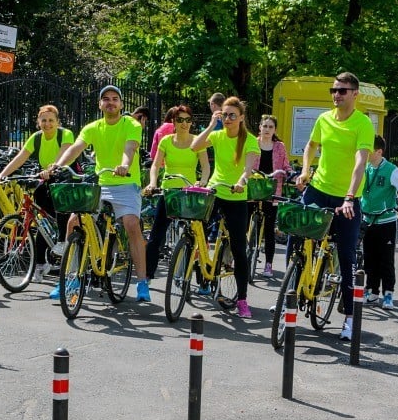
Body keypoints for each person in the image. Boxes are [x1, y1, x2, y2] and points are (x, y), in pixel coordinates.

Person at [47, 85, 149, 301]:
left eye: (115, 99)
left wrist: (124, 165)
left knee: (131, 224)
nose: (110, 102)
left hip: (126, 183)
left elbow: (129, 149)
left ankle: (142, 282)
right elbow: (75, 148)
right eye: (106, 99)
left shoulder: (131, 124)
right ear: (100, 104)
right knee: (74, 221)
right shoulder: (93, 127)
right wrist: (55, 167)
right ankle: (69, 279)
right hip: (101, 183)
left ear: (121, 104)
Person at [295, 72, 375, 340]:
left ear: (355, 94)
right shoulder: (323, 118)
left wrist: (350, 196)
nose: (336, 95)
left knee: (347, 255)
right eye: (334, 90)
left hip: (346, 197)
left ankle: (350, 318)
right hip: (318, 188)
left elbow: (360, 162)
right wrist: (305, 171)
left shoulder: (362, 123)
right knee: (297, 234)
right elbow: (311, 145)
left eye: (342, 90)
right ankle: (291, 295)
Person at [191, 96, 260, 317]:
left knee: (239, 248)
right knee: (195, 229)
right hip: (215, 191)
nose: (228, 119)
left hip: (236, 195)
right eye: (225, 115)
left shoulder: (249, 139)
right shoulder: (218, 135)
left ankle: (242, 300)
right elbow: (195, 146)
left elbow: (248, 167)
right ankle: (202, 273)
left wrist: (242, 182)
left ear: (241, 118)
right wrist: (212, 124)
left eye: (232, 115)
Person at [0, 104, 75, 282]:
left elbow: (64, 155)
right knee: (41, 223)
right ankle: (38, 265)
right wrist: (2, 175)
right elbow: (20, 157)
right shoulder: (36, 138)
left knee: (61, 207)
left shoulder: (65, 134)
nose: (47, 124)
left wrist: (53, 167)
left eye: (51, 120)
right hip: (46, 178)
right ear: (38, 122)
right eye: (43, 120)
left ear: (57, 122)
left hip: (66, 178)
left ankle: (62, 242)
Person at [144, 105, 210, 279]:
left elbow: (205, 166)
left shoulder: (197, 141)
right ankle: (146, 279)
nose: (184, 123)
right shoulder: (166, 141)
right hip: (170, 192)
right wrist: (152, 183)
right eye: (180, 120)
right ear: (173, 121)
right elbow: (156, 165)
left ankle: (202, 277)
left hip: (190, 192)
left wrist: (202, 182)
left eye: (188, 120)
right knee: (155, 236)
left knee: (199, 234)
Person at [360, 135, 398, 310]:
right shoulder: (364, 167)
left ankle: (388, 293)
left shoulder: (390, 169)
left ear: (378, 151)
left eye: (368, 149)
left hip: (385, 220)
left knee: (386, 259)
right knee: (369, 258)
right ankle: (372, 292)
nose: (365, 152)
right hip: (367, 218)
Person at [254, 114, 290, 278]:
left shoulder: (279, 146)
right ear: (260, 127)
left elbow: (285, 165)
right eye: (265, 126)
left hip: (272, 190)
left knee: (269, 228)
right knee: (246, 223)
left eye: (270, 127)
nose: (267, 129)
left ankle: (268, 263)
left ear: (274, 130)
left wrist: (290, 173)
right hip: (253, 188)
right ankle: (247, 252)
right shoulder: (253, 143)